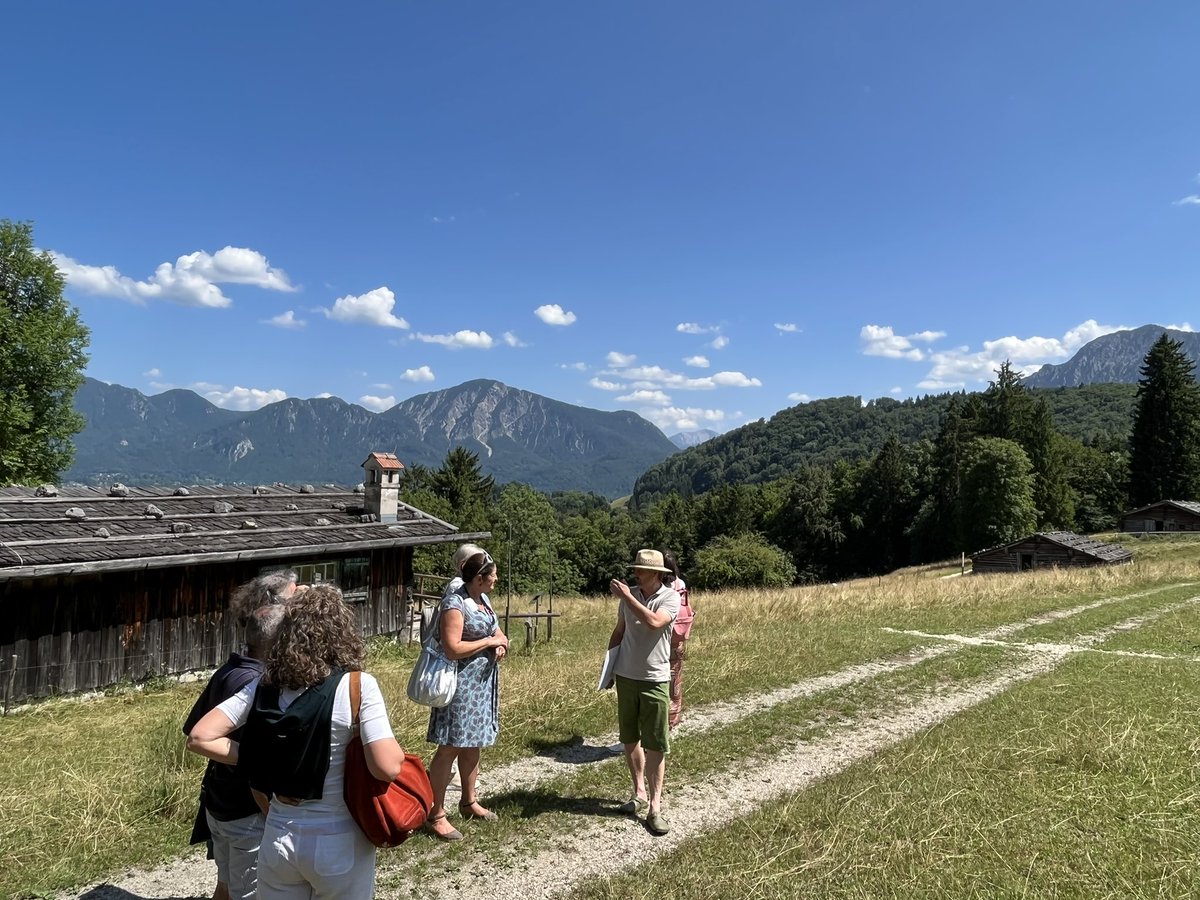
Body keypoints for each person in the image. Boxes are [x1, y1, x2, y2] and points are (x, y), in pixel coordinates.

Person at [187, 585, 404, 900]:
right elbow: (387, 767)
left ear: (284, 635)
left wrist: (261, 762)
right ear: (342, 631)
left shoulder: (264, 686)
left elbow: (200, 737)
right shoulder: (358, 686)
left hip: (278, 836)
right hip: (337, 836)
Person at [183, 603, 286, 900]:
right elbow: (200, 739)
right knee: (250, 894)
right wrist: (257, 758)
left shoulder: (228, 670)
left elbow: (194, 729)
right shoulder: (255, 683)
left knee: (226, 886)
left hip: (219, 801)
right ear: (277, 641)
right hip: (245, 810)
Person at [424, 552, 509, 841]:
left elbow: (498, 632)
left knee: (473, 743)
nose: (496, 579)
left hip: (481, 686)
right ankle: (435, 814)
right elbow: (452, 648)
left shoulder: (482, 599)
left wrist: (500, 645)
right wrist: (489, 642)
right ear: (479, 578)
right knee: (450, 746)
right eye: (493, 574)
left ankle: (468, 801)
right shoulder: (455, 602)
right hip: (460, 687)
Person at [607, 549, 681, 836]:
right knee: (629, 737)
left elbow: (654, 622)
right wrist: (609, 668)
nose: (635, 574)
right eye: (635, 569)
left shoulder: (670, 597)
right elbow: (619, 631)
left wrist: (627, 597)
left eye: (640, 570)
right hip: (626, 676)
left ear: (655, 574)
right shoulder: (630, 596)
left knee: (656, 743)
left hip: (654, 680)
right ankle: (638, 791)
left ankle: (654, 807)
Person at [661, 550, 694, 730]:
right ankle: (674, 717)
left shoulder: (660, 586)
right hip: (678, 637)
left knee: (660, 680)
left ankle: (662, 719)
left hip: (662, 638)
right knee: (676, 677)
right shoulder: (680, 583)